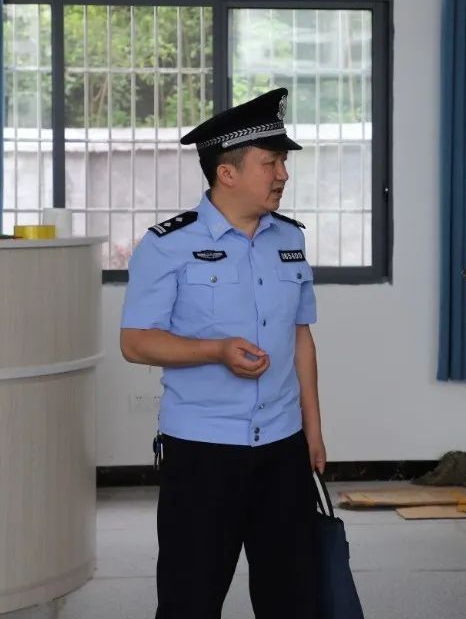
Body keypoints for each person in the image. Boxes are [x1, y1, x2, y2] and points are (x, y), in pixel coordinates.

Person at [120, 87, 324, 619]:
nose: (282, 174)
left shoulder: (290, 240)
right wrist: (215, 350)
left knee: (293, 600)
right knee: (190, 600)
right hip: (202, 450)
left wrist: (313, 432)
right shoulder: (167, 245)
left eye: (282, 163)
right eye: (270, 163)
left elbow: (300, 338)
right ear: (226, 172)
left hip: (282, 445)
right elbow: (135, 341)